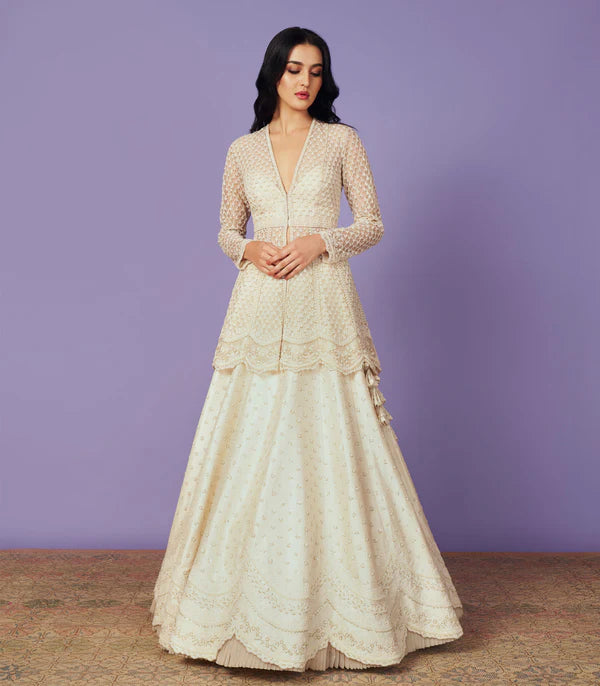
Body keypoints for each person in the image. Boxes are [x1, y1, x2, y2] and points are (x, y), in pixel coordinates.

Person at [150, 26, 464, 672]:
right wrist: (249, 248)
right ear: (274, 72)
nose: (305, 81)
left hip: (324, 303)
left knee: (332, 440)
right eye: (295, 69)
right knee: (248, 440)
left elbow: (372, 223)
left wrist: (323, 241)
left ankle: (349, 612)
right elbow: (225, 229)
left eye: (316, 71)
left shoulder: (342, 141)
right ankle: (238, 611)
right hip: (260, 305)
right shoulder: (242, 151)